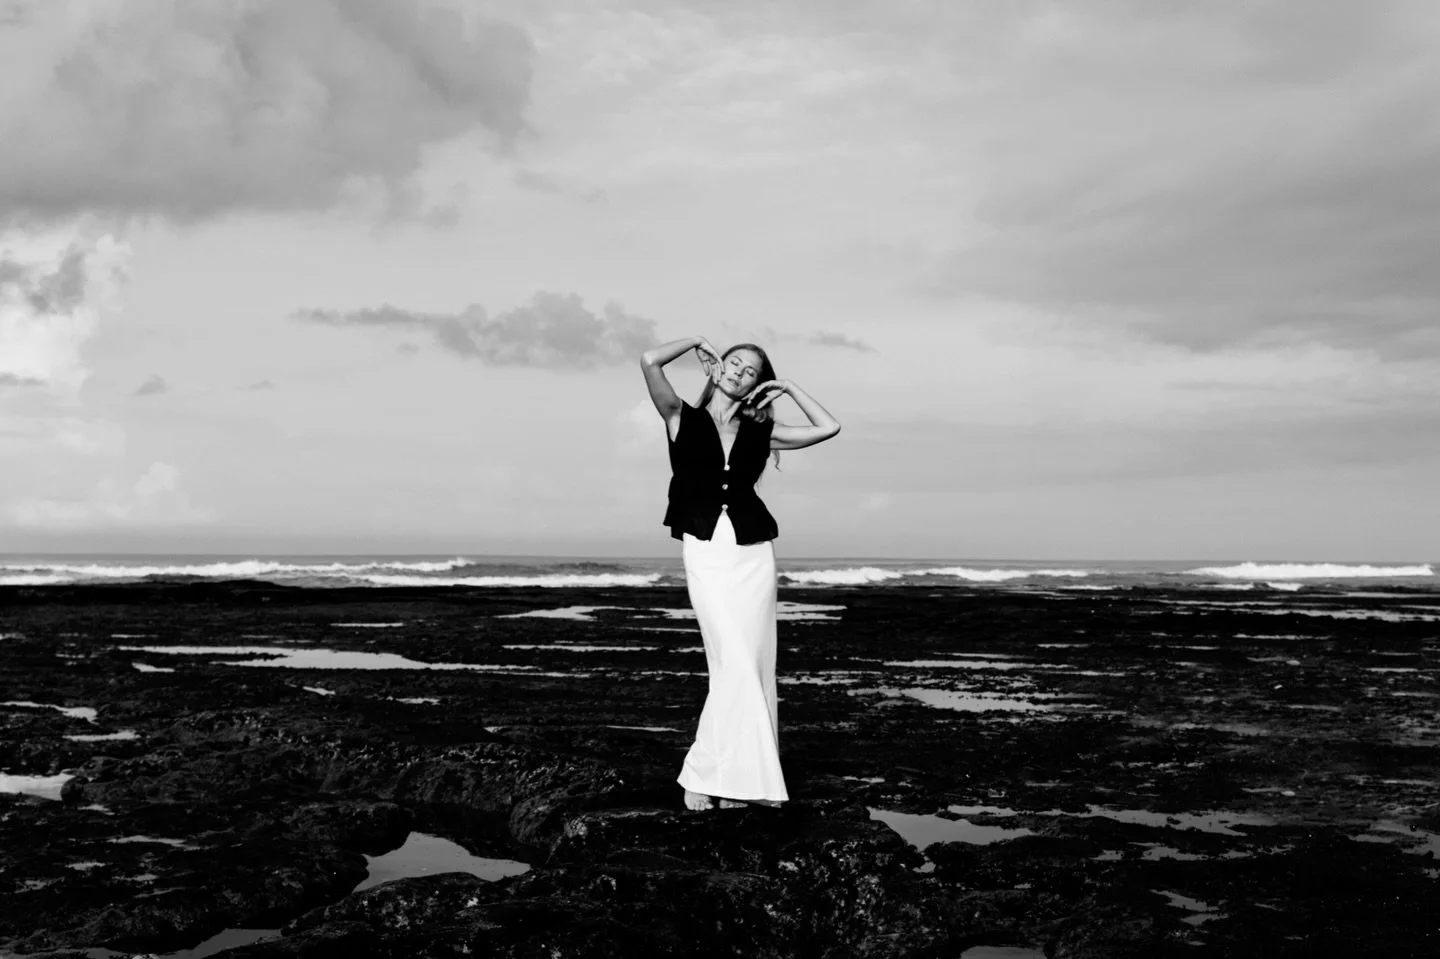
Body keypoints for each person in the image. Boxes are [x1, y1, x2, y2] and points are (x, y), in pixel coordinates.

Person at [639, 336, 841, 811]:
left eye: (750, 371)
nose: (738, 373)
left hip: (752, 554)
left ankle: (742, 779)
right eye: (732, 364)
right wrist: (694, 342)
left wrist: (787, 387)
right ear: (715, 367)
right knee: (730, 660)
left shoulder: (761, 432)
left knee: (751, 664)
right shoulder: (679, 417)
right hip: (707, 549)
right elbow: (649, 360)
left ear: (757, 383)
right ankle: (704, 774)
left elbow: (830, 426)